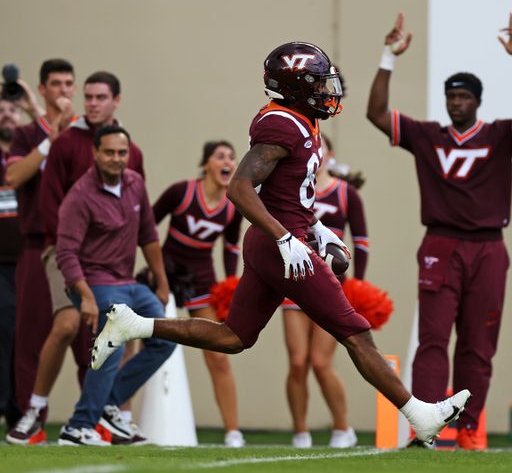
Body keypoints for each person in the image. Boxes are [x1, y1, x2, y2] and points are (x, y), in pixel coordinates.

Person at [90, 41, 470, 447]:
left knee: (234, 336)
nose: (329, 92)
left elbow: (288, 192)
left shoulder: (301, 120)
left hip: (283, 241)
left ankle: (135, 324)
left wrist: (316, 226)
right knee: (355, 332)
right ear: (295, 86)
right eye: (320, 84)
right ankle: (420, 414)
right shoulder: (282, 124)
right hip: (284, 250)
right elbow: (240, 188)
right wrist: (286, 237)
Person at [366, 13, 512, 450]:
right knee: (432, 340)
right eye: (451, 97)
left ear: (478, 102)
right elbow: (375, 113)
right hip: (441, 243)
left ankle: (469, 429)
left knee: (478, 344)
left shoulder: (501, 135)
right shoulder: (428, 136)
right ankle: (426, 427)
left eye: (464, 97)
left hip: (489, 247)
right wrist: (388, 57)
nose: (456, 104)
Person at [8, 70, 146, 445]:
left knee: (125, 327)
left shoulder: (129, 149)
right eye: (89, 96)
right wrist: (70, 260)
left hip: (111, 263)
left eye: (101, 97)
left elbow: (137, 211)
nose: (92, 103)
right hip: (63, 250)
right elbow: (51, 205)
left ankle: (107, 415)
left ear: (117, 100)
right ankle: (34, 412)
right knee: (67, 323)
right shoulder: (66, 142)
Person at [55, 125, 174, 446]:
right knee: (115, 341)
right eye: (109, 152)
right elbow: (65, 253)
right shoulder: (79, 196)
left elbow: (148, 235)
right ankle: (78, 426)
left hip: (130, 284)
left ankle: (110, 402)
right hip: (95, 284)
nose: (116, 159)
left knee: (168, 338)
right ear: (95, 153)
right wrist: (85, 296)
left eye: (122, 153)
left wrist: (162, 283)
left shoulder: (135, 183)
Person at [151, 140, 244, 448]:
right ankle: (118, 417)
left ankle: (233, 431)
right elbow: (147, 226)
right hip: (166, 275)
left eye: (232, 157)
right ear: (206, 164)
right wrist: (152, 271)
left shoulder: (234, 205)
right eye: (220, 156)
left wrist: (230, 285)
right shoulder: (181, 192)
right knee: (141, 343)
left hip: (203, 280)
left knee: (219, 353)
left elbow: (231, 247)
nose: (227, 161)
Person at [5, 59, 77, 445]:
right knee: (31, 336)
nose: (64, 90)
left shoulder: (86, 131)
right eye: (56, 84)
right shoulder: (27, 133)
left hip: (80, 250)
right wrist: (51, 135)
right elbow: (14, 176)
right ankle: (31, 419)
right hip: (37, 245)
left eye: (69, 83)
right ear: (43, 89)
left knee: (86, 336)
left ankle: (93, 420)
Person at [282, 132, 368, 449]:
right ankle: (300, 433)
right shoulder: (294, 193)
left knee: (321, 362)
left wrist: (358, 283)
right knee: (297, 361)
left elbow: (362, 243)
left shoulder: (346, 194)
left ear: (329, 156)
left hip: (331, 286)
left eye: (322, 150)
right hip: (295, 281)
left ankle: (343, 428)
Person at [0, 85, 42, 430]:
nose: (6, 114)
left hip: (26, 258)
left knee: (21, 335)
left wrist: (33, 107)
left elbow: (58, 137)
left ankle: (17, 410)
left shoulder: (32, 150)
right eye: (1, 109)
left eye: (12, 109)